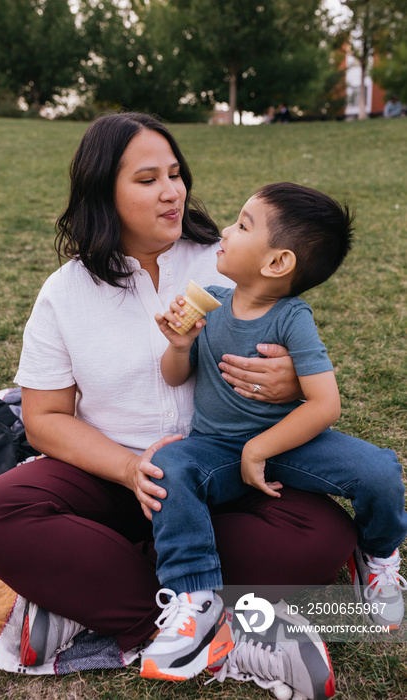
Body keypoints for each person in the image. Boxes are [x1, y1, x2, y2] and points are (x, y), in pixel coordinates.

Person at [0, 113, 357, 700]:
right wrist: (128, 469)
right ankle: (219, 630)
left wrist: (288, 382)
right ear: (104, 193)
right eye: (147, 179)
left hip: (216, 473)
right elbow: (43, 419)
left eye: (175, 174)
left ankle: (92, 597)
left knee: (325, 536)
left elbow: (303, 361)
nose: (173, 191)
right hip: (110, 479)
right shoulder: (65, 292)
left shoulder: (226, 262)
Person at [143, 182, 407, 682]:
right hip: (216, 447)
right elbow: (177, 376)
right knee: (169, 467)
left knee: (379, 471)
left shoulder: (293, 319)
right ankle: (195, 600)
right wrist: (179, 345)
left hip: (289, 444)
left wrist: (261, 447)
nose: (225, 230)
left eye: (243, 225)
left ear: (277, 264)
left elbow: (325, 403)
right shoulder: (212, 304)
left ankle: (378, 555)